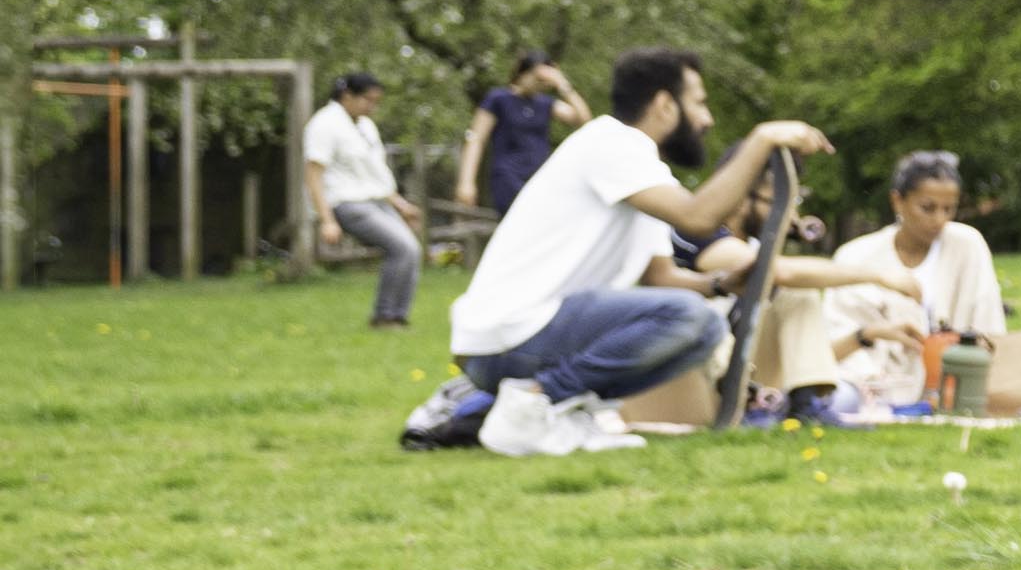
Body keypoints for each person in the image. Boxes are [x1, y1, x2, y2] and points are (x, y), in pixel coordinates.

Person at [414, 49, 830, 455]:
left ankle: (554, 410)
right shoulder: (611, 144)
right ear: (665, 105)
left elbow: (661, 277)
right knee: (692, 318)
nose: (707, 119)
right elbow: (698, 217)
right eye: (699, 103)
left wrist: (720, 283)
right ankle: (536, 404)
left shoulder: (640, 170)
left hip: (520, 338)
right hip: (510, 335)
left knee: (704, 329)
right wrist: (761, 140)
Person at [759, 152, 1006, 419]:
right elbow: (829, 348)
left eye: (949, 209)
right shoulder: (855, 256)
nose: (939, 220)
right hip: (866, 384)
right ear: (897, 201)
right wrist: (873, 335)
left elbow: (988, 326)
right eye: (927, 207)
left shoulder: (967, 245)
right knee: (839, 401)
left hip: (952, 381)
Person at [303, 72, 422, 327]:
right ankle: (385, 317)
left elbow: (374, 174)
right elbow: (313, 175)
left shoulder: (365, 125)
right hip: (347, 203)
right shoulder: (324, 124)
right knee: (402, 248)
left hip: (377, 201)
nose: (373, 107)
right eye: (368, 100)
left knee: (412, 250)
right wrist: (326, 220)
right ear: (347, 96)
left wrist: (401, 205)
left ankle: (398, 316)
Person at [454, 50, 583, 221]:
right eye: (538, 77)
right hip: (508, 179)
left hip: (539, 180)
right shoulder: (498, 99)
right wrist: (466, 182)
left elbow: (582, 119)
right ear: (523, 73)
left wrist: (562, 84)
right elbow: (476, 139)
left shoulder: (545, 104)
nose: (541, 83)